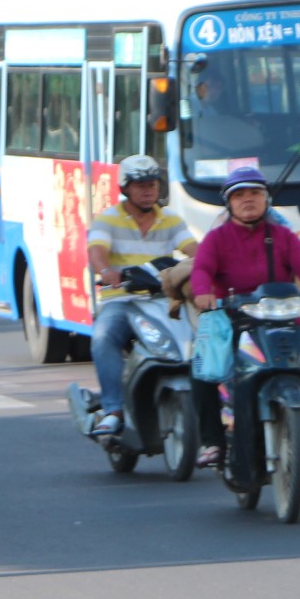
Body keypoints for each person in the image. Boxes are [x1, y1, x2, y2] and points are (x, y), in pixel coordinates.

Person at [191, 165, 300, 465]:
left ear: (266, 199)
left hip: (284, 319)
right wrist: (202, 293)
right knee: (203, 369)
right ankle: (213, 443)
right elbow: (201, 270)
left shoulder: (283, 236)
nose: (247, 199)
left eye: (255, 193)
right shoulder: (217, 239)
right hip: (237, 321)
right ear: (229, 202)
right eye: (239, 195)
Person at [86, 155, 196, 436]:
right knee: (103, 337)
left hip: (163, 299)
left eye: (153, 185)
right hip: (121, 300)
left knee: (204, 330)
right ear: (126, 188)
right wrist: (106, 270)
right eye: (140, 185)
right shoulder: (107, 219)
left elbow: (193, 248)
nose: (148, 191)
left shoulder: (171, 219)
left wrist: (210, 263)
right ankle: (113, 410)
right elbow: (96, 250)